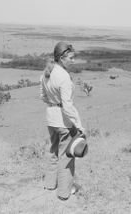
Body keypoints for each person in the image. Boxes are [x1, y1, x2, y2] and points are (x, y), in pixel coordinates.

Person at [40, 41, 85, 200]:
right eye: (71, 58)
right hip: (64, 122)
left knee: (52, 151)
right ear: (61, 57)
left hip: (51, 119)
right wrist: (79, 125)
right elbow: (67, 106)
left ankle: (50, 184)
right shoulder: (64, 77)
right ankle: (64, 192)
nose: (73, 61)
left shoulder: (46, 72)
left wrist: (53, 103)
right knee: (66, 158)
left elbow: (42, 96)